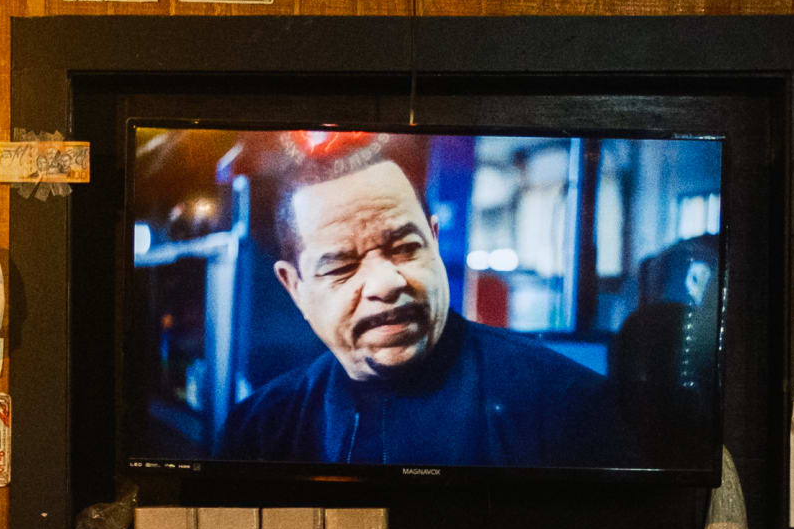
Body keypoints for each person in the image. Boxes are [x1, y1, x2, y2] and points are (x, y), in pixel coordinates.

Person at [216, 139, 634, 465]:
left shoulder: (567, 405)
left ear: (434, 240)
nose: (386, 283)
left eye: (404, 247)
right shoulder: (261, 430)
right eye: (342, 265)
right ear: (295, 288)